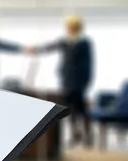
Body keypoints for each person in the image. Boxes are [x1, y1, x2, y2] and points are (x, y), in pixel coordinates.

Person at [33, 15, 94, 147]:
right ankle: (75, 135)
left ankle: (88, 136)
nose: (69, 29)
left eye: (72, 27)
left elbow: (89, 64)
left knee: (82, 109)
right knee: (69, 109)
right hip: (66, 79)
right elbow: (50, 47)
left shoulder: (85, 43)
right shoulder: (64, 41)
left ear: (77, 28)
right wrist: (35, 50)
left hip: (79, 81)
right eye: (68, 27)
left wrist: (86, 81)